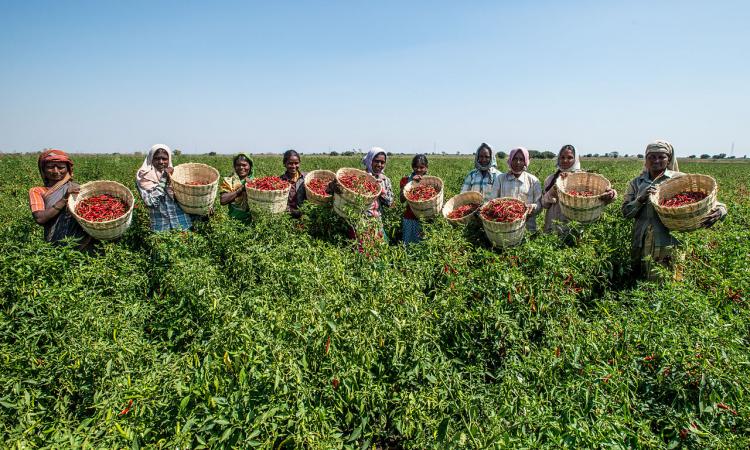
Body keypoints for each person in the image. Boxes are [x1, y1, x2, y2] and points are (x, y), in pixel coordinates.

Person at [622, 140, 727, 280]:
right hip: (640, 241)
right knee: (638, 281)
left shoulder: (679, 180)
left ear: (669, 159)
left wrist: (720, 211)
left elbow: (711, 202)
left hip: (668, 243)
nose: (656, 161)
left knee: (666, 281)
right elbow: (625, 212)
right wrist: (640, 199)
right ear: (646, 159)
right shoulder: (636, 183)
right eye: (651, 157)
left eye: (661, 157)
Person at [541, 144, 617, 234]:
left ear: (575, 159)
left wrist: (612, 194)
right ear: (558, 159)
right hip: (553, 224)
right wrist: (553, 191)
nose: (565, 160)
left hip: (574, 227)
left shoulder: (583, 178)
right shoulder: (551, 179)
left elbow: (600, 195)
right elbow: (544, 204)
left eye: (570, 157)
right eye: (562, 157)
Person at [29, 149, 89, 245]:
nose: (56, 171)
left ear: (68, 169)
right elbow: (40, 218)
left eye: (61, 167)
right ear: (43, 170)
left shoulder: (75, 188)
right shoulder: (37, 191)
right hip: (55, 242)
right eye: (50, 167)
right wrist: (64, 199)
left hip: (82, 241)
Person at [135, 144, 192, 232]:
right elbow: (150, 201)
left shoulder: (176, 175)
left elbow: (186, 200)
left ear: (169, 160)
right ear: (151, 159)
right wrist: (164, 178)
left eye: (164, 158)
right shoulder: (144, 177)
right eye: (157, 158)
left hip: (183, 224)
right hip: (160, 227)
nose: (161, 162)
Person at [491, 147, 543, 232]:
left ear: (525, 162)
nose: (518, 162)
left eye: (521, 159)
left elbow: (539, 204)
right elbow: (493, 201)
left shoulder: (533, 180)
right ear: (510, 160)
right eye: (515, 158)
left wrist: (533, 207)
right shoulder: (500, 179)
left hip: (527, 228)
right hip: (504, 228)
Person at [399, 154, 429, 245]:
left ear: (426, 168)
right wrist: (411, 184)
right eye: (416, 167)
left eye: (421, 167)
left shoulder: (430, 182)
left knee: (423, 245)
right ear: (412, 167)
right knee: (408, 245)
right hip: (410, 217)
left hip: (426, 218)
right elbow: (401, 199)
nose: (418, 170)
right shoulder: (405, 180)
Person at [219, 153, 254, 222]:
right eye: (238, 165)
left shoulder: (255, 182)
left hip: (252, 223)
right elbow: (223, 200)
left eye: (244, 165)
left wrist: (251, 187)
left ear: (250, 166)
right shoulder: (229, 181)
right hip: (233, 222)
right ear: (234, 167)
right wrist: (241, 189)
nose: (241, 167)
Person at [279, 149, 307, 218]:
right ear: (284, 164)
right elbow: (278, 201)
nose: (294, 166)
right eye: (290, 163)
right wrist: (291, 211)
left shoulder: (306, 178)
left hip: (305, 215)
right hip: (287, 216)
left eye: (296, 163)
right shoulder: (280, 181)